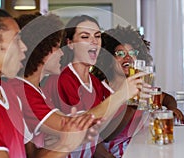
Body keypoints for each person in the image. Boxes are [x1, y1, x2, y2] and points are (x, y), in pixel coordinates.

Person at [0, 7, 95, 158]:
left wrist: (68, 142)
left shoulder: (10, 95)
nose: (24, 47)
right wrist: (65, 145)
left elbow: (31, 155)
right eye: (16, 40)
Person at [41, 15, 151, 158]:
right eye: (85, 37)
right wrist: (125, 97)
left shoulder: (95, 83)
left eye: (97, 36)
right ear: (70, 43)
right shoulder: (62, 80)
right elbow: (80, 130)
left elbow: (100, 134)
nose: (94, 41)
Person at [91, 25, 184, 157]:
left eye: (133, 53)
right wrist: (133, 105)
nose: (128, 58)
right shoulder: (99, 90)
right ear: (109, 60)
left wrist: (172, 108)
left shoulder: (140, 86)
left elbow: (167, 98)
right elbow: (105, 136)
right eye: (120, 54)